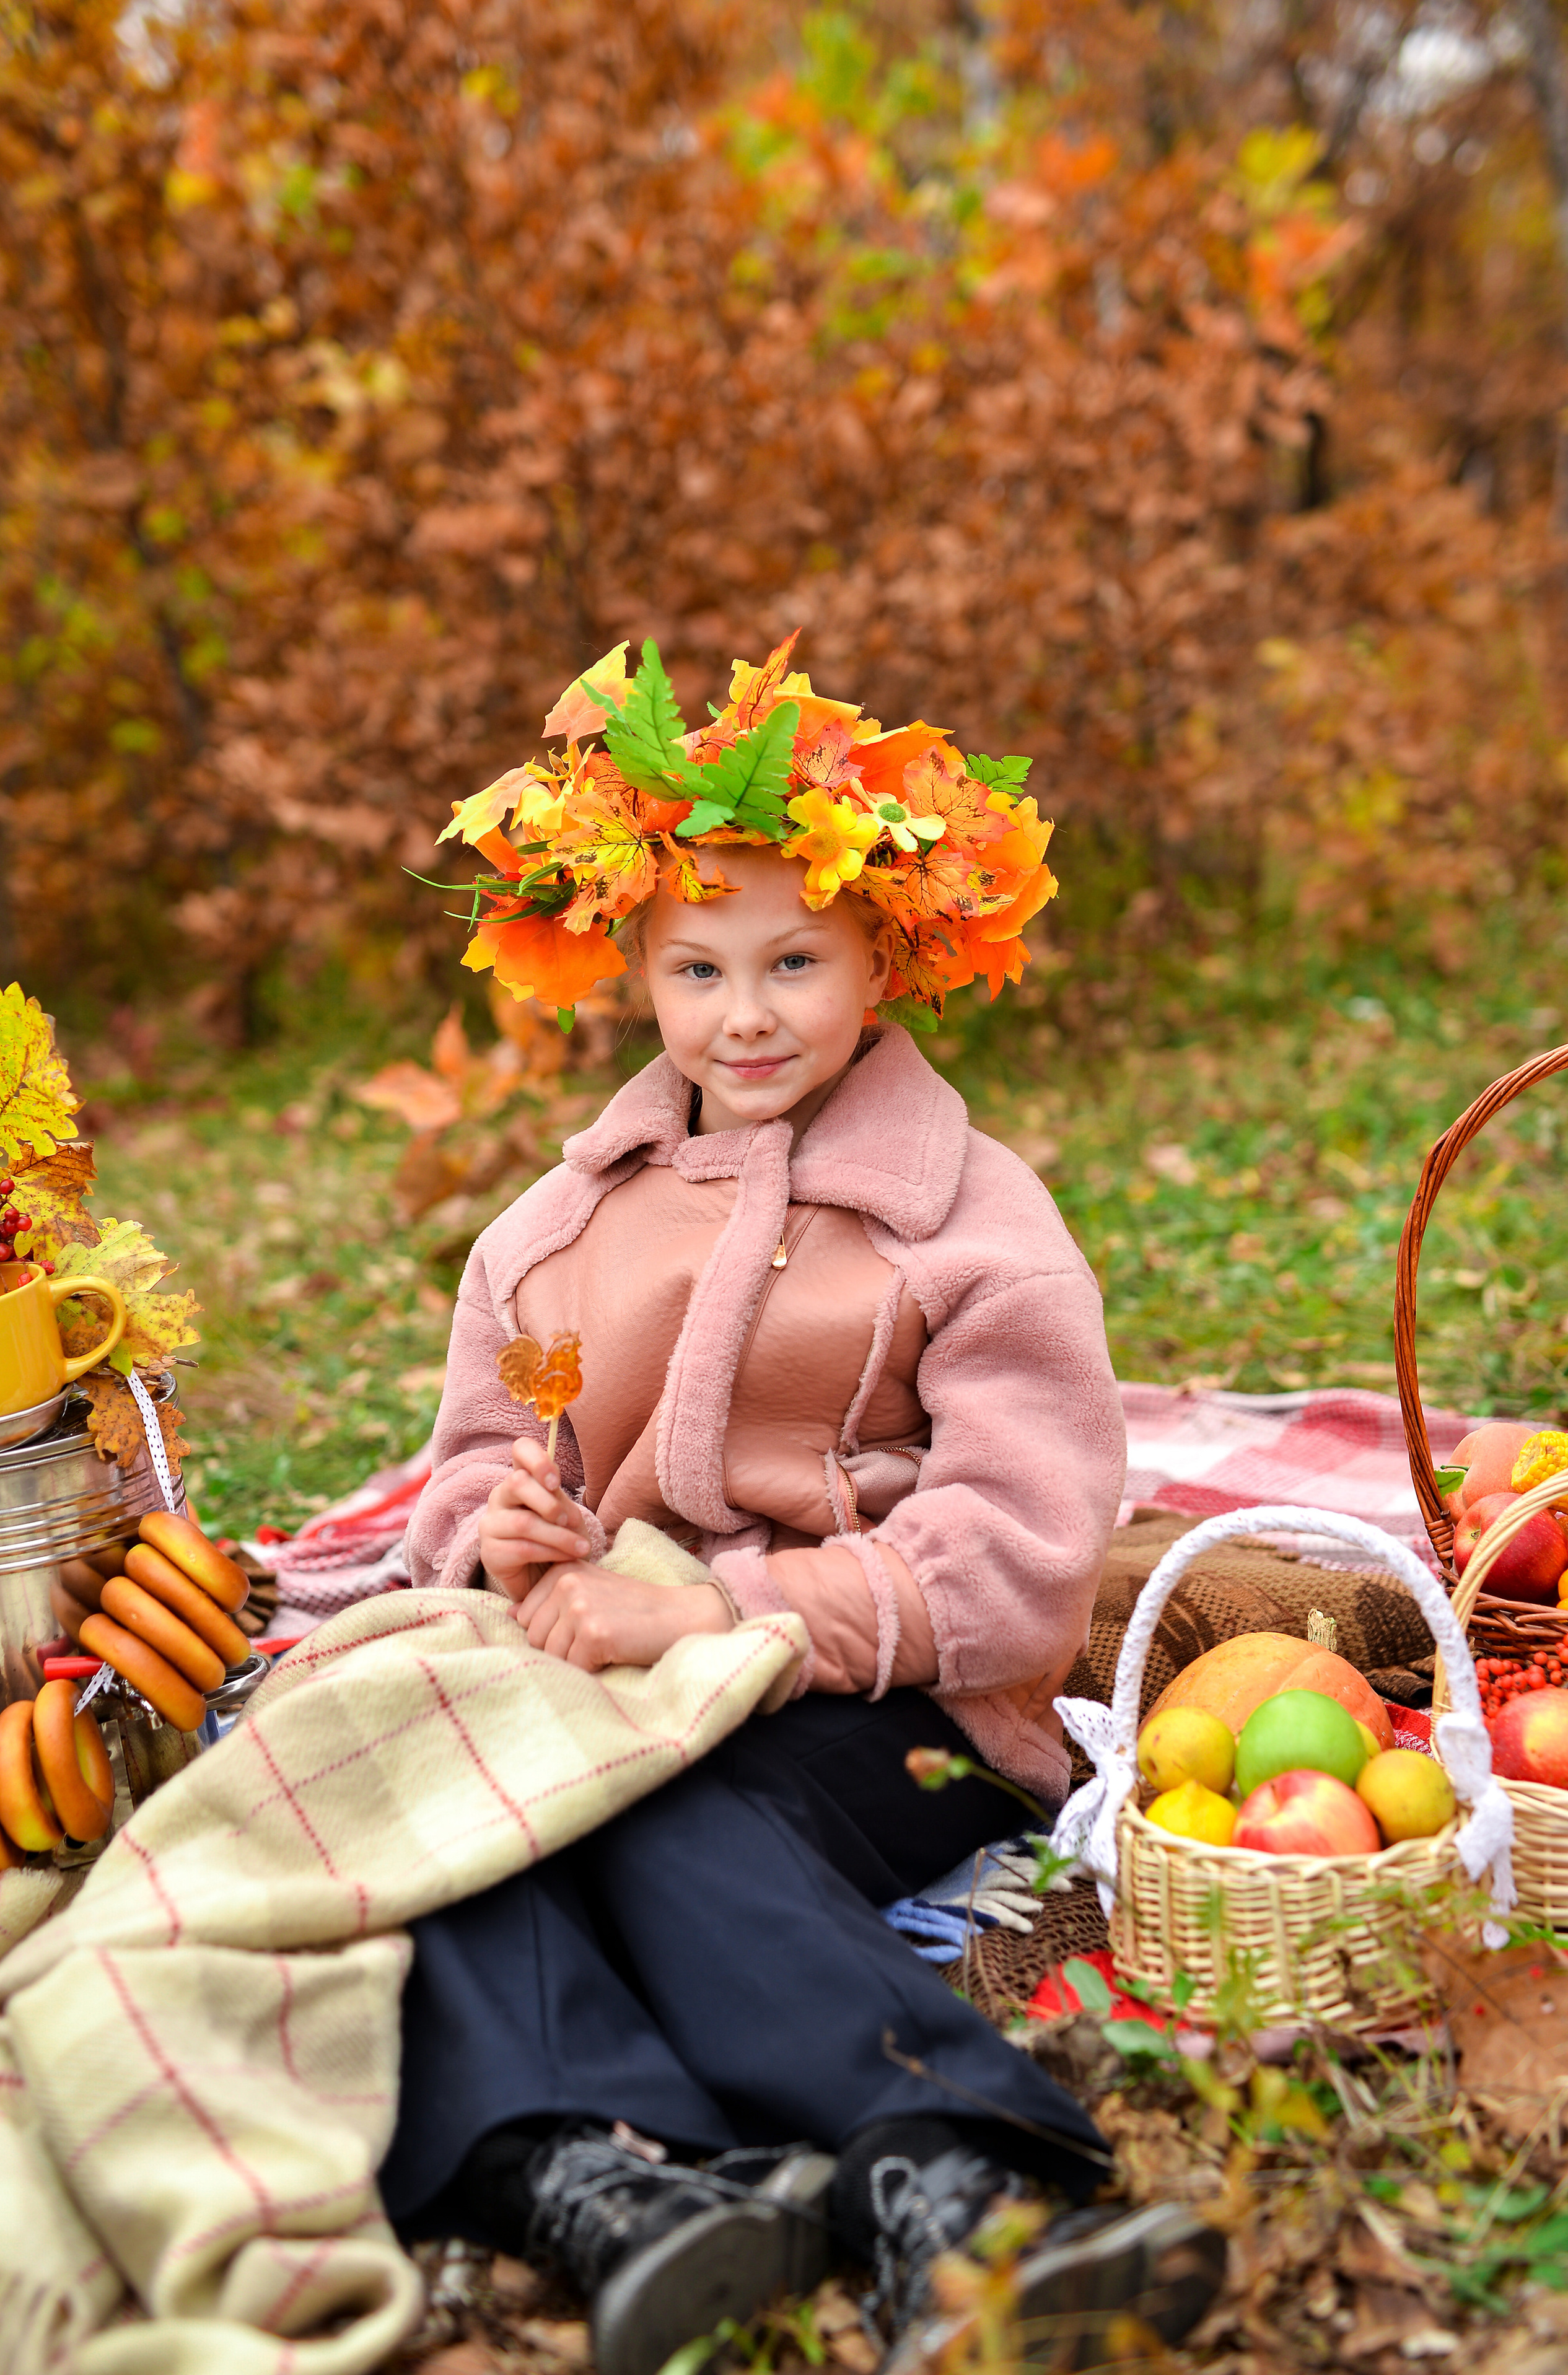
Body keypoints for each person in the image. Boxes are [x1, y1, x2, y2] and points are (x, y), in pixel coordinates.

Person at [384, 641, 1223, 2373]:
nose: (744, 1014)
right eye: (697, 968)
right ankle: (602, 2179)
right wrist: (504, 1530)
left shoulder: (968, 1225)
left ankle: (951, 2178)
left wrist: (728, 1611)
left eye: (794, 961)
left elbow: (1023, 1550)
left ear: (881, 961)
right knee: (446, 1810)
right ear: (634, 969)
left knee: (667, 1814)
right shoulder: (554, 1236)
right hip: (609, 1675)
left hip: (887, 1702)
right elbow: (483, 1453)